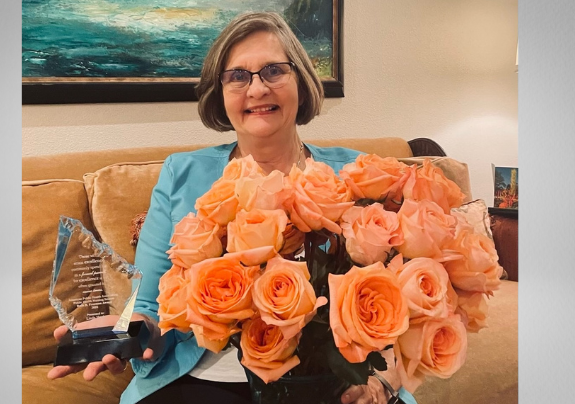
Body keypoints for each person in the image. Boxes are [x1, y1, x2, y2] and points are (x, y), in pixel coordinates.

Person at [47, 11, 418, 404]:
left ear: (302, 82)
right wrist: (132, 330)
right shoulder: (181, 173)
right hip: (204, 380)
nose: (257, 89)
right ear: (219, 92)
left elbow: (409, 308)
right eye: (237, 76)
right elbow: (151, 306)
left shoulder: (360, 174)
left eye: (274, 70)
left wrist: (384, 383)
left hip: (333, 380)